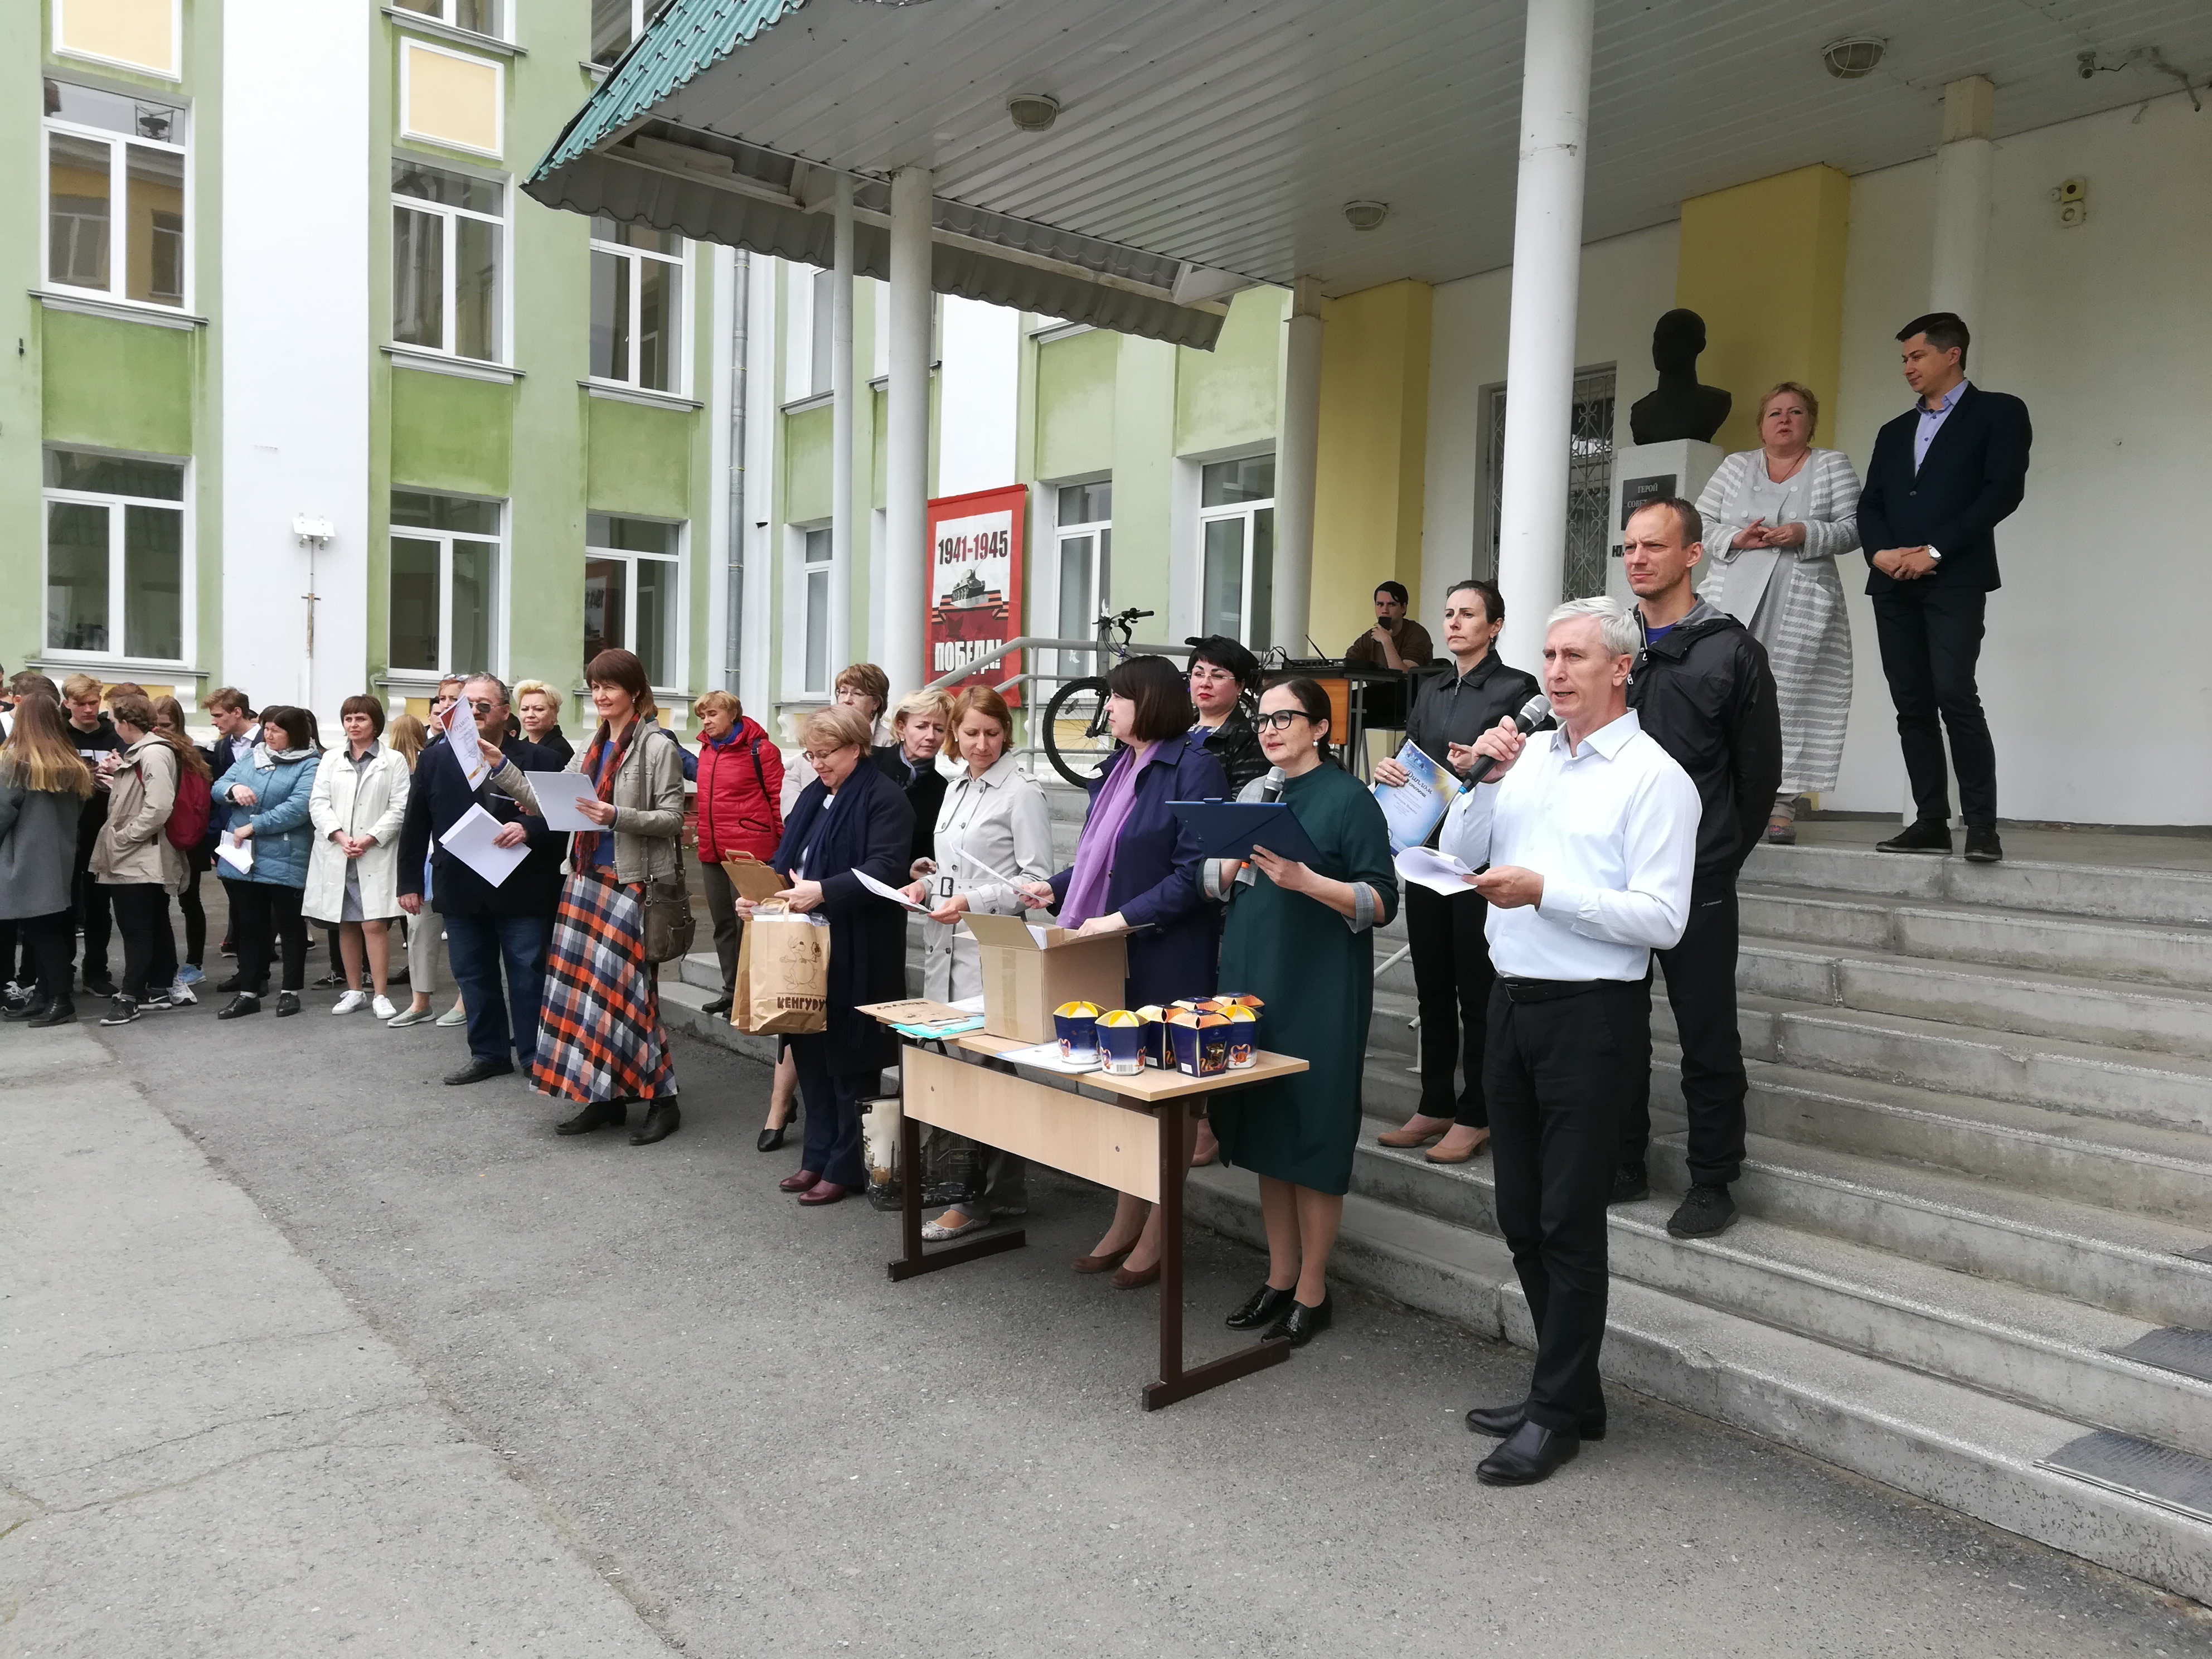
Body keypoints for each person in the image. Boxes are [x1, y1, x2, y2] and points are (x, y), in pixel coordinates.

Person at [1440, 598, 1699, 1486]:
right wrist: (1483, 779)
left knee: (1568, 1221)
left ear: (1621, 668)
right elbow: (1460, 851)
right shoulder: (1530, 755)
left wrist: (1547, 893)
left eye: (1574, 657)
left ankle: (1556, 1414)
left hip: (1592, 1016)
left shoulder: (1655, 778)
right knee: (1520, 1214)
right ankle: (1570, 1391)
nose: (1553, 672)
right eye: (1548, 655)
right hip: (1511, 1004)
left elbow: (1663, 920)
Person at [1014, 655, 1229, 1286]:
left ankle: (1159, 1232)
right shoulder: (1118, 766)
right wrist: (1054, 888)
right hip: (1111, 953)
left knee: (1168, 1101)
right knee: (1125, 1092)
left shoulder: (1195, 766)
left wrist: (1122, 918)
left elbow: (1193, 875)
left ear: (1150, 701)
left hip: (1168, 954)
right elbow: (1100, 859)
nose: (1107, 708)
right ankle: (1125, 1217)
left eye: (1117, 697)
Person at [1205, 678, 1398, 1347]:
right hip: (1250, 979)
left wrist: (1306, 881)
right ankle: (1278, 1275)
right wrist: (1226, 865)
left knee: (1312, 1132)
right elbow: (1209, 880)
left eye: (1283, 718)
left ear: (1319, 728)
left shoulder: (1349, 799)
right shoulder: (1253, 794)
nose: (1268, 729)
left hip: (1318, 985)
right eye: (1262, 719)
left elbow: (1381, 901)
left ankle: (1313, 1289)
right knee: (1265, 1128)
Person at [1618, 498, 1781, 1239]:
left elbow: (1758, 777)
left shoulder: (1731, 652)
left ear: (1693, 555)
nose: (1637, 558)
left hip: (1697, 880)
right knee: (1616, 1028)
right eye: (1629, 547)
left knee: (1706, 1034)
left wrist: (1715, 857)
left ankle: (1713, 1180)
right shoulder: (1611, 645)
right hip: (1614, 876)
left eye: (1653, 546)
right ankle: (1623, 1160)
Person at [1371, 579, 1540, 1164]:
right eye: (1448, 613)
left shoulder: (1517, 688)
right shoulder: (1431, 685)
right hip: (1426, 854)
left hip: (1481, 860)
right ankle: (1435, 1102)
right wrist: (1390, 770)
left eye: (1468, 614)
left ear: (1495, 626)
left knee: (1476, 988)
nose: (1454, 622)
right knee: (1432, 987)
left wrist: (1484, 767)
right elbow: (1415, 755)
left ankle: (1477, 1113)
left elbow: (1532, 771)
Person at [1857, 311, 2032, 865]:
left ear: (1951, 354)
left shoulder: (1999, 412)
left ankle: (1981, 825)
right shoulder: (1893, 431)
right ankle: (1930, 821)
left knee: (1954, 693)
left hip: (1954, 578)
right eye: (1904, 359)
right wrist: (1880, 553)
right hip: (1892, 583)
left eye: (1917, 356)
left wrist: (1934, 551)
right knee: (1910, 703)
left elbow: (2001, 491)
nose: (1907, 368)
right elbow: (1871, 504)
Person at [492, 652, 687, 1144]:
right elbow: (549, 803)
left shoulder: (657, 745)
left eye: (609, 687)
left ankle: (663, 1101)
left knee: (631, 999)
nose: (600, 696)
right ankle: (604, 1098)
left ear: (635, 691)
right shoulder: (591, 743)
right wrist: (501, 765)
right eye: (595, 686)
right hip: (583, 879)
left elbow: (673, 820)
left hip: (631, 884)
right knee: (588, 1000)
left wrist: (615, 816)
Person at [743, 703, 914, 1206]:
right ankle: (816, 1156)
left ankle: (847, 1166)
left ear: (856, 748)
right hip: (806, 944)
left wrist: (824, 891)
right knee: (811, 1055)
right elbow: (788, 860)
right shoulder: (816, 793)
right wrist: (760, 896)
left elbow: (886, 867)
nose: (817, 764)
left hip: (859, 946)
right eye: (811, 754)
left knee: (849, 1062)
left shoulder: (885, 797)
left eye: (826, 754)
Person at [902, 685, 1055, 1239]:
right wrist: (926, 883)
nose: (981, 744)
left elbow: (1037, 883)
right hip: (945, 946)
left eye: (992, 733)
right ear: (954, 734)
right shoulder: (956, 786)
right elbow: (958, 867)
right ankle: (1003, 1191)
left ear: (1006, 733)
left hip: (990, 950)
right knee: (964, 1068)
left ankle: (970, 1199)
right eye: (970, 733)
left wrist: (972, 900)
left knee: (979, 1073)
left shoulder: (1022, 791)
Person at [1695, 382, 1863, 844]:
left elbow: (1855, 528)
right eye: (1775, 413)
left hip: (1801, 605)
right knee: (1723, 693)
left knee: (1790, 700)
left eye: (1796, 412)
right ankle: (1720, 796)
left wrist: (1805, 532)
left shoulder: (1832, 465)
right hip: (1731, 599)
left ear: (1811, 422)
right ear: (1761, 424)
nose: (1785, 419)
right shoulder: (1735, 467)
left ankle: (1782, 804)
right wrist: (1736, 538)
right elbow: (1698, 522)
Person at [400, 675, 566, 1083]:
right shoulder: (435, 757)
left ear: (505, 713)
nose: (473, 712)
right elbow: (416, 820)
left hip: (523, 886)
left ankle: (534, 1055)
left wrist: (530, 828)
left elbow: (565, 820)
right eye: (466, 705)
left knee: (528, 975)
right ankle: (488, 1054)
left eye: (483, 706)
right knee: (473, 976)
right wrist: (409, 882)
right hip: (461, 885)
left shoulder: (540, 758)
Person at [304, 695, 411, 1021]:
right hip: (339, 851)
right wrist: (340, 836)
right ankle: (354, 990)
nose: (354, 725)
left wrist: (369, 838)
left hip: (374, 851)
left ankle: (380, 993)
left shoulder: (394, 761)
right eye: (349, 719)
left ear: (375, 723)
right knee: (346, 922)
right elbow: (318, 802)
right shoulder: (331, 759)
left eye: (361, 718)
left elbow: (399, 806)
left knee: (374, 923)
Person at [212, 707, 321, 1018]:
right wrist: (233, 789)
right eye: (266, 728)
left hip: (286, 855)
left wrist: (254, 826)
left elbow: (299, 808)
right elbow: (218, 787)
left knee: (289, 926)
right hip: (243, 856)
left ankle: (290, 992)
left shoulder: (310, 763)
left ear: (294, 733)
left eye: (275, 730)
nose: (267, 735)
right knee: (249, 926)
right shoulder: (253, 755)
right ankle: (248, 992)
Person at [87, 693, 188, 1025]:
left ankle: (130, 997)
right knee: (154, 922)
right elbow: (142, 797)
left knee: (136, 928)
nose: (113, 726)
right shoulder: (148, 751)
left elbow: (158, 807)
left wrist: (125, 837)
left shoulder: (153, 753)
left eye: (115, 720)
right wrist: (116, 779)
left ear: (126, 723)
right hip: (142, 854)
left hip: (140, 855)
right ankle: (157, 988)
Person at [0, 692, 98, 1027]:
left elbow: (2, 813)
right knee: (51, 928)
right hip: (59, 856)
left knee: (41, 933)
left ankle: (60, 999)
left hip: (21, 859)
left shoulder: (14, 762)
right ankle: (45, 995)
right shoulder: (70, 763)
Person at [692, 689, 785, 1023]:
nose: (706, 721)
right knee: (723, 925)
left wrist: (783, 851)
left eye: (712, 714)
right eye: (703, 716)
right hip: (713, 851)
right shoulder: (706, 750)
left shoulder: (762, 750)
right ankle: (731, 991)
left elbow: (779, 799)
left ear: (732, 714)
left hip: (750, 851)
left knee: (752, 924)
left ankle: (754, 994)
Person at [381, 715, 448, 1029]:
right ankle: (420, 1002)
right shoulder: (431, 752)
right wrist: (408, 880)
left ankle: (465, 1003)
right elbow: (414, 821)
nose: (446, 707)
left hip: (468, 861)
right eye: (442, 699)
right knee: (419, 930)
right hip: (429, 858)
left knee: (468, 936)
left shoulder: (487, 751)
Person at [59, 674, 121, 1000]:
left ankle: (96, 971)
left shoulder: (114, 734)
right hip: (66, 831)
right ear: (67, 703)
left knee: (99, 907)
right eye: (80, 703)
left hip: (104, 830)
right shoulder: (59, 735)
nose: (88, 709)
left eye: (93, 703)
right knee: (64, 906)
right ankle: (61, 970)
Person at [149, 696, 216, 987]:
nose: (159, 730)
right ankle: (163, 963)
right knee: (159, 901)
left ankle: (194, 963)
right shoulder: (154, 749)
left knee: (190, 901)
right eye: (154, 724)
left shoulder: (193, 754)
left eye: (166, 725)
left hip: (189, 835)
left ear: (178, 723)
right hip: (161, 834)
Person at [203, 687, 259, 962]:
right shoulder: (222, 747)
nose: (214, 721)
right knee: (238, 899)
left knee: (265, 905)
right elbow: (217, 793)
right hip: (231, 832)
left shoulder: (268, 738)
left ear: (237, 712)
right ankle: (246, 967)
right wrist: (216, 835)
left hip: (266, 829)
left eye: (218, 715)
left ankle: (262, 964)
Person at [873, 688, 949, 870]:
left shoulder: (942, 789)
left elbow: (928, 851)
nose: (931, 737)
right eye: (921, 727)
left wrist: (910, 869)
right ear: (901, 728)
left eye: (939, 729)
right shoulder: (870, 763)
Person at [1186, 634, 1267, 793]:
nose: (1205, 683)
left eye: (1218, 676)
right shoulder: (1175, 730)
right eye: (1198, 674)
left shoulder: (1250, 736)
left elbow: (1243, 799)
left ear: (1240, 686)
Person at [1343, 581, 1434, 672]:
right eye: (1380, 604)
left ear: (1403, 608)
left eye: (1391, 605)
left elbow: (1406, 675)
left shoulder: (1417, 634)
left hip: (1405, 682)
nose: (1385, 610)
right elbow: (1346, 666)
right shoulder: (1370, 637)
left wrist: (1387, 642)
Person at [513, 679, 575, 767]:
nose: (530, 715)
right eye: (525, 709)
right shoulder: (520, 746)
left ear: (554, 714)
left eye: (539, 709)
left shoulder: (559, 750)